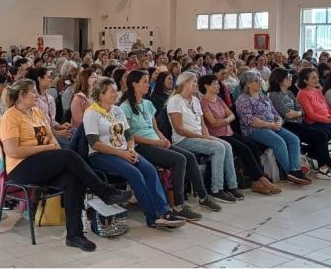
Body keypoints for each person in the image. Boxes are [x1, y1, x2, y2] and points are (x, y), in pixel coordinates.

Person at [0, 79, 132, 252]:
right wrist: (48, 148)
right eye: (32, 92)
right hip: (21, 168)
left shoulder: (37, 112)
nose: (36, 95)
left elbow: (52, 138)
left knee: (72, 179)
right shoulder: (10, 116)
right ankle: (105, 192)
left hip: (43, 162)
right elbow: (13, 151)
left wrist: (53, 149)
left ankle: (74, 235)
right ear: (22, 95)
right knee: (68, 156)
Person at [84, 76, 186, 229]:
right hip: (101, 155)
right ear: (101, 94)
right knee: (135, 174)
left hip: (124, 152)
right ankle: (152, 217)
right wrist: (121, 153)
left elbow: (129, 135)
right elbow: (95, 143)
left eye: (115, 91)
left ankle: (164, 212)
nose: (115, 94)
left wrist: (130, 149)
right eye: (112, 92)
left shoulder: (117, 110)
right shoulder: (91, 113)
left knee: (150, 170)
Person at [120, 70, 222, 219]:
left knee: (189, 157)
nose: (148, 84)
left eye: (148, 81)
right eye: (144, 82)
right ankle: (178, 205)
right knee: (179, 159)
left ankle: (203, 196)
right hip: (141, 146)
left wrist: (163, 139)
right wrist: (156, 142)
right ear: (134, 84)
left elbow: (154, 128)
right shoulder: (125, 107)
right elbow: (131, 135)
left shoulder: (147, 104)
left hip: (156, 141)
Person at [199, 74, 284, 192]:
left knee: (253, 146)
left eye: (218, 84)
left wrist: (225, 120)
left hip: (229, 131)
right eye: (215, 84)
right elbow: (213, 123)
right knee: (244, 149)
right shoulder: (204, 103)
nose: (218, 86)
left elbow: (232, 115)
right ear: (206, 86)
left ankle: (256, 180)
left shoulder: (218, 99)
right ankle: (261, 179)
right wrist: (227, 120)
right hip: (218, 135)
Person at [167, 72, 242, 203]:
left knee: (227, 146)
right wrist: (202, 137)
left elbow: (202, 123)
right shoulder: (175, 101)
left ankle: (232, 185)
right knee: (218, 148)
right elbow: (179, 129)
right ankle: (216, 189)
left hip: (199, 136)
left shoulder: (195, 100)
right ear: (184, 83)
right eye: (193, 82)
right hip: (183, 140)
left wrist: (206, 135)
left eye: (196, 81)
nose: (196, 84)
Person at [236, 71, 311, 185]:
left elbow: (275, 113)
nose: (260, 83)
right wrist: (269, 125)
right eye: (256, 81)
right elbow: (249, 120)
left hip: (272, 126)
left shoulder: (263, 96)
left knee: (294, 139)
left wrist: (279, 122)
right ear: (248, 84)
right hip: (255, 129)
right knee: (279, 141)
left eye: (260, 80)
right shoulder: (243, 99)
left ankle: (295, 169)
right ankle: (289, 171)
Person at [267, 68, 331, 180]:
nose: (290, 79)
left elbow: (301, 111)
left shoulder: (289, 93)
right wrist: (298, 113)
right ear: (279, 80)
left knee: (326, 133)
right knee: (321, 135)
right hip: (287, 125)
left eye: (290, 77)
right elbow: (287, 114)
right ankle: (323, 168)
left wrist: (297, 113)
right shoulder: (274, 95)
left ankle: (314, 157)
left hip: (298, 122)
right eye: (287, 78)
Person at [25, 68, 72, 142]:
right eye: (48, 77)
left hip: (50, 132)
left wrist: (59, 126)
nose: (51, 80)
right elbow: (39, 124)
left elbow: (51, 121)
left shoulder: (50, 98)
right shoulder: (34, 100)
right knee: (71, 141)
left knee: (75, 132)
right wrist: (57, 133)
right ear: (40, 79)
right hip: (43, 135)